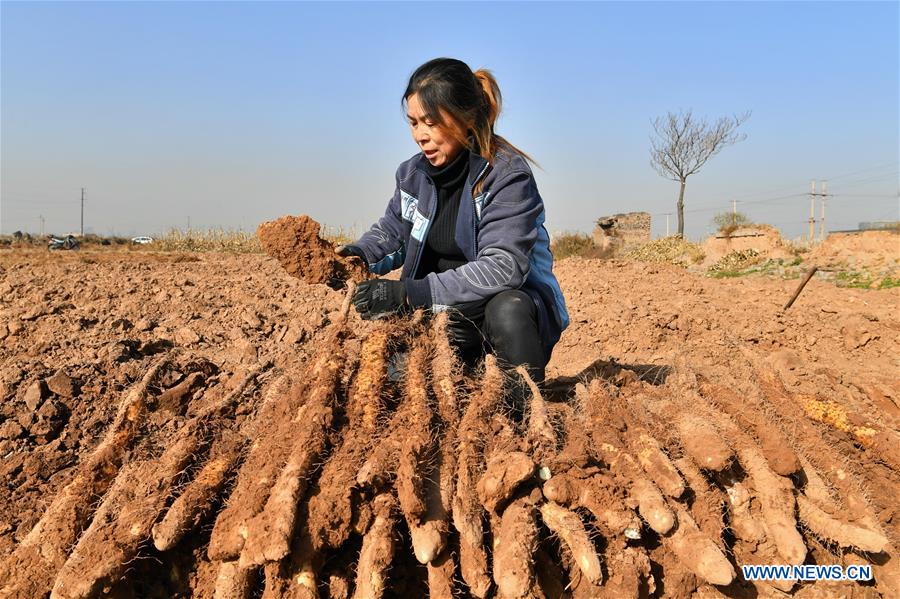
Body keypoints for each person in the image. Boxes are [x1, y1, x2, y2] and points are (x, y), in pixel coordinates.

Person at [337, 57, 568, 402]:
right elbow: (392, 233)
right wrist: (356, 255)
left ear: (466, 118)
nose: (419, 135)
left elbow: (503, 266)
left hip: (503, 321)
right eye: (413, 123)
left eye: (430, 122)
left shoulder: (506, 175)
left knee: (508, 308)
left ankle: (523, 417)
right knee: (395, 389)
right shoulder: (411, 175)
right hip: (443, 315)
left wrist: (409, 295)